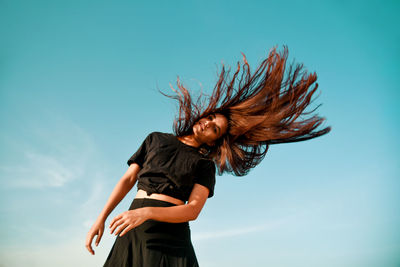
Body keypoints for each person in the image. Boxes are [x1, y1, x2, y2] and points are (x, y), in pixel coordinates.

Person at [85, 46, 331, 266]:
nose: (207, 124)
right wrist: (101, 218)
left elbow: (192, 210)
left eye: (215, 129)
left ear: (216, 140)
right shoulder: (156, 139)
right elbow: (128, 180)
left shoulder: (205, 164)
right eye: (210, 118)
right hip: (133, 226)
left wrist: (146, 212)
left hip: (170, 234)